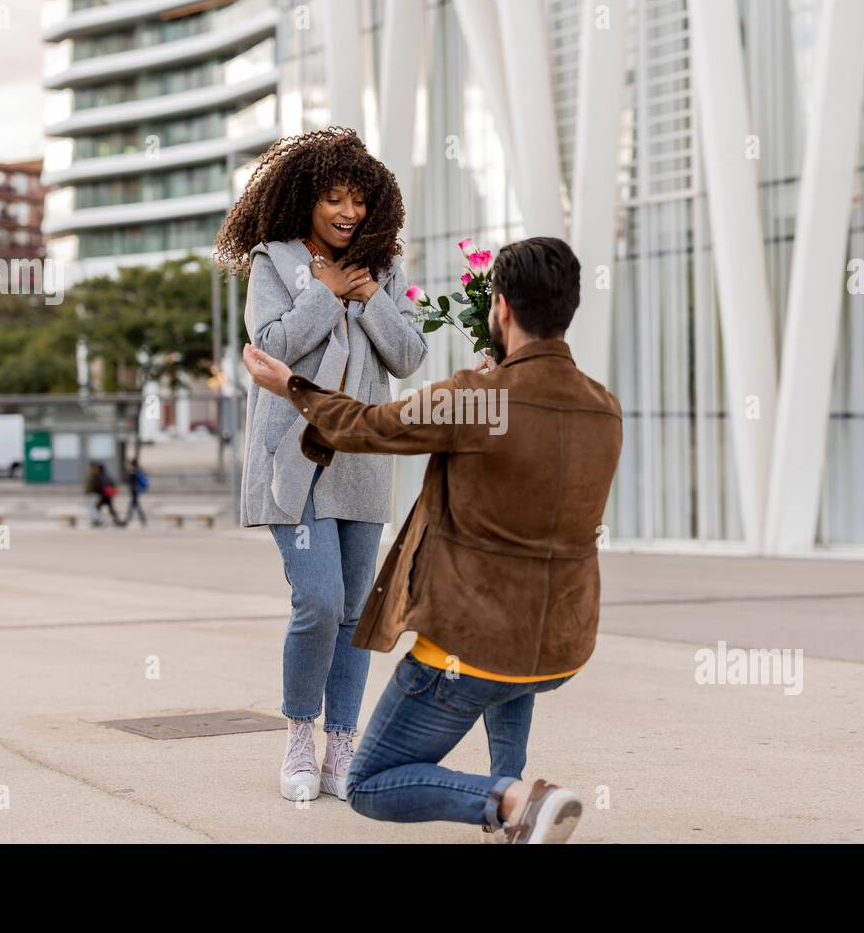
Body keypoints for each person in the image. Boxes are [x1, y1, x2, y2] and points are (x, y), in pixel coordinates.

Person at [243, 236, 623, 843]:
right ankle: (521, 813)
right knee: (514, 660)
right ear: (569, 309)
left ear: (499, 308)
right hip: (562, 646)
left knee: (368, 781)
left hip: (470, 647)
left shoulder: (476, 399)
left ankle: (512, 800)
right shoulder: (603, 407)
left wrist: (294, 386)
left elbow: (368, 426)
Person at [216, 126, 428, 803]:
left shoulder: (383, 269)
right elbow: (271, 345)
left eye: (359, 200)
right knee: (318, 600)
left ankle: (343, 743)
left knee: (354, 613)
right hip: (296, 458)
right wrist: (325, 291)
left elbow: (408, 356)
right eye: (334, 198)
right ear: (306, 199)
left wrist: (364, 298)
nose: (348, 212)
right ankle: (299, 737)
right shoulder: (272, 263)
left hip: (362, 461)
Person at [121, 459, 148, 527]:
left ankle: (127, 521)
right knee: (135, 506)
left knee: (134, 507)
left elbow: (128, 480)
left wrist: (127, 471)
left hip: (134, 491)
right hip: (135, 491)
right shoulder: (136, 471)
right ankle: (142, 520)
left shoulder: (133, 472)